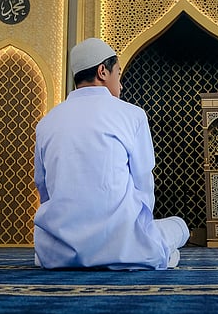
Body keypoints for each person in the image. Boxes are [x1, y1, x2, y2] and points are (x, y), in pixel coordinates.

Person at [33, 37, 189, 270]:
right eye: (119, 73)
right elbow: (143, 185)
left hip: (59, 251)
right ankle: (150, 250)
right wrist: (140, 232)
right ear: (102, 72)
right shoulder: (133, 115)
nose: (121, 84)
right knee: (179, 226)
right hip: (122, 244)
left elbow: (43, 187)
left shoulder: (46, 122)